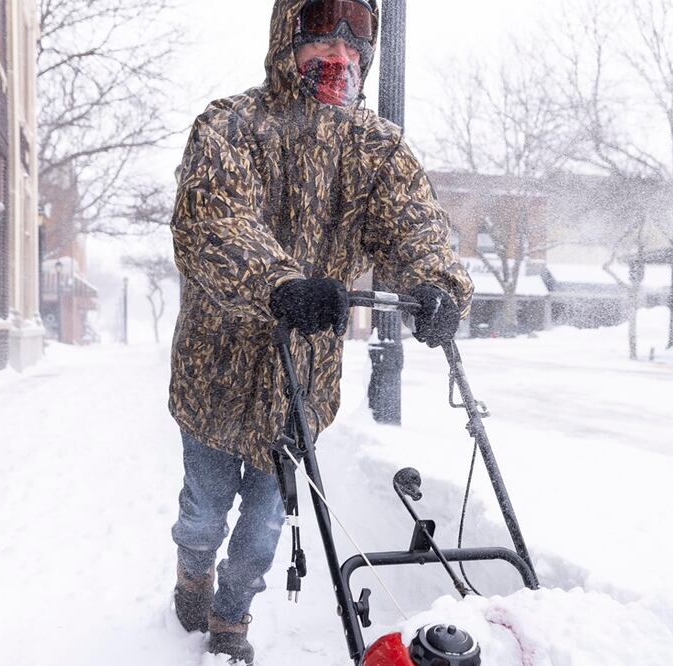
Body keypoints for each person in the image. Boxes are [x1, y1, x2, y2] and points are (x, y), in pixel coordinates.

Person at [167, 0, 474, 662]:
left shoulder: (377, 148)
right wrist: (280, 284)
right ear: (288, 36)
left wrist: (439, 286)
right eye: (323, 26)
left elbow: (415, 226)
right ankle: (191, 573)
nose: (339, 50)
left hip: (301, 387)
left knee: (261, 531)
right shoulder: (229, 128)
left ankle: (230, 619)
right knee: (203, 516)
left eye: (357, 30)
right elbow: (211, 224)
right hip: (215, 380)